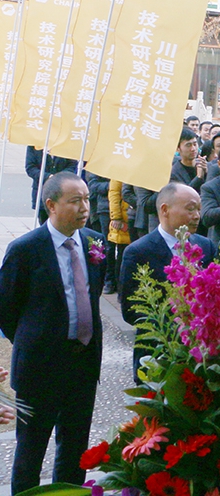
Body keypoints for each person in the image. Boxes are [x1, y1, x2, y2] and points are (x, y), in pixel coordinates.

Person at [0, 172, 105, 493]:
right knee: (31, 449)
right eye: (75, 201)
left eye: (86, 199)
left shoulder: (93, 242)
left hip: (83, 365)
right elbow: (6, 309)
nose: (84, 206)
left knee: (75, 449)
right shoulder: (26, 250)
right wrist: (35, 341)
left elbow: (92, 293)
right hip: (40, 368)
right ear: (51, 205)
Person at [119, 183, 216, 382]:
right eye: (190, 209)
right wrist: (179, 325)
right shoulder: (139, 252)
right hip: (158, 353)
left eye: (198, 209)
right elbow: (131, 310)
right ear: (165, 209)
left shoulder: (205, 246)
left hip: (203, 354)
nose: (197, 215)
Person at [170, 127, 207, 192]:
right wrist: (198, 178)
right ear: (178, 148)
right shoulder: (174, 173)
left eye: (195, 144)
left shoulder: (204, 165)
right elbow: (182, 195)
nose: (193, 149)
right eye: (188, 145)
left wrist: (207, 173)